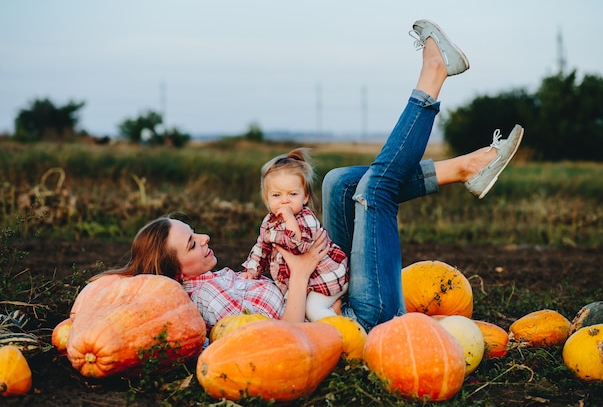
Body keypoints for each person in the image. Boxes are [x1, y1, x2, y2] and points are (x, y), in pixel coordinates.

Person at [96, 19, 523, 334]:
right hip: (356, 322)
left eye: (195, 233)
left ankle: (465, 168)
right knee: (376, 190)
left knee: (338, 181)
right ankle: (434, 76)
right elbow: (283, 338)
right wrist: (299, 272)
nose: (204, 238)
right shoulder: (201, 298)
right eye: (191, 243)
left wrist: (293, 263)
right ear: (176, 272)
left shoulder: (212, 278)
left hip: (330, 284)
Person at [241, 148, 349, 321]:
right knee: (296, 306)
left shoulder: (305, 219)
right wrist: (252, 270)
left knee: (312, 310)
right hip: (307, 281)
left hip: (327, 278)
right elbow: (261, 247)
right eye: (277, 195)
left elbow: (300, 246)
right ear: (267, 199)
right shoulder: (269, 222)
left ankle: (344, 331)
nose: (285, 200)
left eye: (292, 194)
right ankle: (335, 306)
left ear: (305, 197)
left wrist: (290, 219)